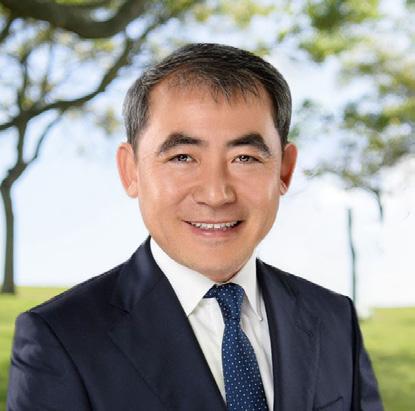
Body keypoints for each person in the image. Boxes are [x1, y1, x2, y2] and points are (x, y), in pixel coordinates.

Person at [7, 43, 383, 411]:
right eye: (183, 157)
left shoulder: (335, 319)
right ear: (130, 170)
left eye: (245, 158)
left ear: (284, 170)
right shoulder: (60, 338)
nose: (216, 194)